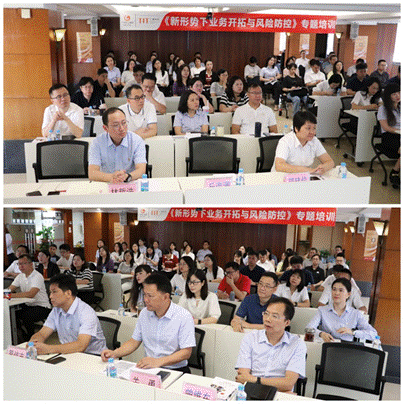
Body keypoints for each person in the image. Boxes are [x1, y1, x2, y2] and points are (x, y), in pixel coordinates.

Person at [102, 273, 196, 372]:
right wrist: (114, 353)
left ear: (166, 297)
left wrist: (158, 362)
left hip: (175, 369)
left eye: (150, 296)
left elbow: (186, 352)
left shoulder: (183, 316)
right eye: (144, 295)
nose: (145, 300)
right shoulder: (144, 313)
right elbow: (134, 342)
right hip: (150, 368)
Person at [235, 297, 307, 392]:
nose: (268, 319)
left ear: (287, 322)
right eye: (266, 314)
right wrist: (278, 384)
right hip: (252, 390)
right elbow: (242, 376)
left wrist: (255, 380)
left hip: (279, 393)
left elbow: (288, 384)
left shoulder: (297, 344)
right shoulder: (250, 338)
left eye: (275, 316)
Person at [28, 274, 107, 355]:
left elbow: (81, 346)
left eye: (54, 292)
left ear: (68, 293)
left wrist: (48, 349)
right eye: (50, 292)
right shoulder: (56, 310)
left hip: (93, 356)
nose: (50, 296)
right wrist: (34, 342)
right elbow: (42, 333)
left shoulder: (86, 312)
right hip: (69, 353)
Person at [307, 278, 377, 342]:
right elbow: (309, 327)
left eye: (341, 290)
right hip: (327, 344)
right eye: (334, 289)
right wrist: (321, 334)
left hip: (346, 347)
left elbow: (373, 334)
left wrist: (352, 332)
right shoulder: (322, 310)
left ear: (348, 294)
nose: (336, 293)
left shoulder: (356, 313)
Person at [88, 107, 147, 183]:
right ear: (105, 128)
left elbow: (141, 170)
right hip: (107, 183)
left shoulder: (136, 140)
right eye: (116, 125)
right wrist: (112, 177)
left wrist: (127, 176)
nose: (122, 128)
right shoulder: (97, 143)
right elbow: (92, 173)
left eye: (124, 123)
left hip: (129, 182)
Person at [9, 254, 51, 340]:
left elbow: (31, 294)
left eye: (23, 263)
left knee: (27, 316)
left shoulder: (37, 276)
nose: (21, 266)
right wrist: (6, 293)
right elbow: (10, 289)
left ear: (31, 264)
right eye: (19, 264)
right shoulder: (20, 276)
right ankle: (20, 337)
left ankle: (31, 339)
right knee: (12, 314)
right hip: (28, 305)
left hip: (42, 306)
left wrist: (10, 295)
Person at [377, 83, 401, 186]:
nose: (398, 96)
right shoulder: (383, 108)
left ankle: (396, 170)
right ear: (388, 96)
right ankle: (395, 171)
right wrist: (399, 131)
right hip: (389, 136)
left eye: (399, 92)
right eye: (394, 94)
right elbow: (386, 127)